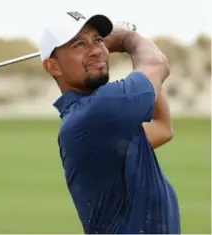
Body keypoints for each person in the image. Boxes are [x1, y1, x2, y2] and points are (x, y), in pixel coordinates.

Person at [37, 11, 180, 234]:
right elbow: (157, 64)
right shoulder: (96, 114)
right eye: (78, 45)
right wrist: (127, 38)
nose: (95, 50)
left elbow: (163, 127)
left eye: (99, 40)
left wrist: (126, 47)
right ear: (53, 66)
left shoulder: (102, 119)